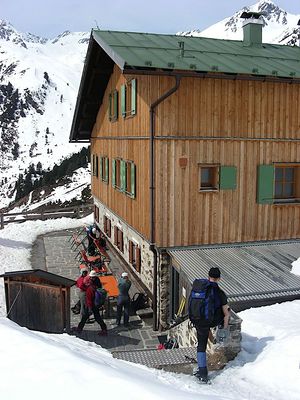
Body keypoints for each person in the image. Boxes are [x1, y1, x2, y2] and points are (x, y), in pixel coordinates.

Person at [192, 267, 230, 383]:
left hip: (198, 319)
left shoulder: (199, 287)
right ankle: (203, 374)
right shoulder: (220, 293)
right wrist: (224, 327)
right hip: (211, 321)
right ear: (219, 278)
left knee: (201, 345)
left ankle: (202, 371)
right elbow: (226, 314)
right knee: (204, 343)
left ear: (208, 276)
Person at [74, 270, 108, 336]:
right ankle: (104, 329)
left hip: (91, 305)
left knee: (85, 317)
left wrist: (89, 307)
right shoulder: (97, 283)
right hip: (96, 304)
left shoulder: (90, 289)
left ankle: (79, 329)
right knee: (97, 317)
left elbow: (89, 299)